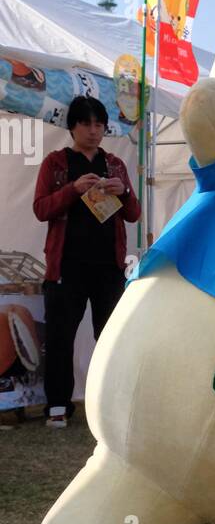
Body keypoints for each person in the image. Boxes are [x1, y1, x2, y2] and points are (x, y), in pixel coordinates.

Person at [33, 97, 141, 427]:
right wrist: (72, 189)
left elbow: (134, 214)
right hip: (66, 266)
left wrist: (122, 192)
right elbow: (41, 209)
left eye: (99, 125)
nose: (94, 132)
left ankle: (115, 404)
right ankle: (58, 406)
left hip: (109, 267)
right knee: (60, 338)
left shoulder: (115, 164)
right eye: (86, 124)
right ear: (73, 127)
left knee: (111, 337)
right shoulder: (55, 163)